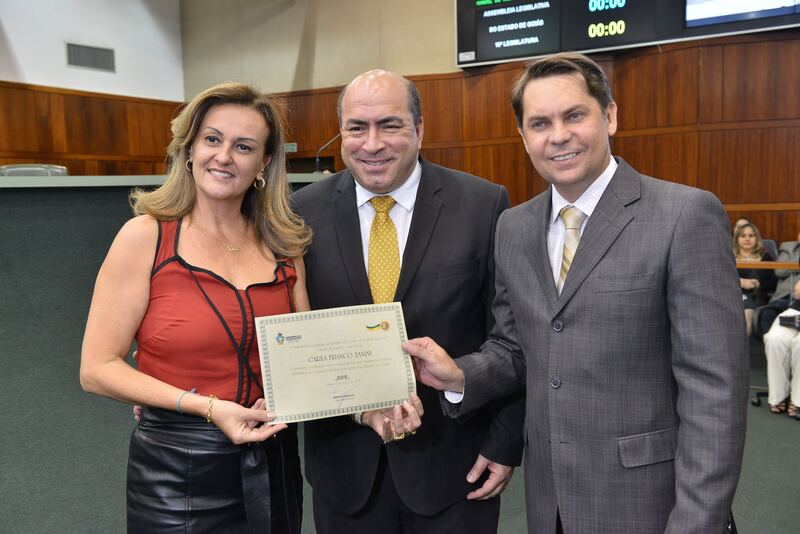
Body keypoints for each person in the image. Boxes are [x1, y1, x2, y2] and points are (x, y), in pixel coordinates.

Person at [405, 52, 749, 533]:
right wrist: (460, 374)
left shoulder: (684, 215)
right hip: (551, 504)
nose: (558, 135)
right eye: (540, 123)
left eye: (574, 115)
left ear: (609, 116)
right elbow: (516, 347)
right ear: (523, 136)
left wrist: (697, 523)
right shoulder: (513, 227)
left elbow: (715, 394)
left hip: (652, 505)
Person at [292, 69, 524, 534]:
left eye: (390, 125)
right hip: (344, 469)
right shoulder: (300, 212)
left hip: (456, 469)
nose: (372, 144)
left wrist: (505, 442)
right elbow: (292, 331)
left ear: (419, 129)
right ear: (341, 133)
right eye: (357, 128)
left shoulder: (482, 205)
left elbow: (511, 336)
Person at [80, 82, 314, 533]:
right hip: (177, 469)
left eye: (243, 146)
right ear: (189, 149)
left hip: (273, 460)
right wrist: (205, 406)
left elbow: (307, 356)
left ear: (264, 163)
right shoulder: (145, 237)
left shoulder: (285, 246)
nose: (223, 156)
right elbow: (96, 369)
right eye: (212, 139)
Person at [763, 278, 800, 417]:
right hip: (796, 312)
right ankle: (778, 396)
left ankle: (797, 400)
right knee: (774, 339)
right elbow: (798, 292)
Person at [734, 222, 777, 335]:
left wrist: (759, 284)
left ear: (756, 238)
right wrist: (740, 282)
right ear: (737, 238)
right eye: (743, 236)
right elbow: (721, 279)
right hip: (732, 296)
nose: (747, 239)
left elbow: (774, 283)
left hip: (756, 298)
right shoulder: (729, 257)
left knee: (746, 314)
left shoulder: (765, 257)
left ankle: (742, 344)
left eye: (751, 235)